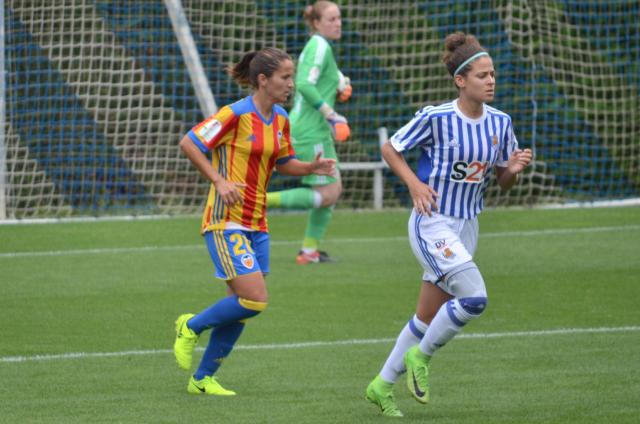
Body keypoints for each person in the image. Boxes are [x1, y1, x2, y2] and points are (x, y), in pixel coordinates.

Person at [365, 32, 533, 416]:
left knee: (426, 316)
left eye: (493, 74)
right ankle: (420, 359)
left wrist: (515, 169)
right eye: (482, 75)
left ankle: (380, 386)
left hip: (468, 227)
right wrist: (414, 184)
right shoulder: (436, 118)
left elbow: (505, 181)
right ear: (461, 80)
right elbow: (390, 147)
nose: (491, 81)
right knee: (474, 298)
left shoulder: (501, 122)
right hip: (432, 223)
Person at [173, 47, 336, 396]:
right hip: (225, 220)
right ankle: (190, 326)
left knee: (242, 308)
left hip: (257, 222)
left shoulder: (281, 119)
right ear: (263, 80)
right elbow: (189, 142)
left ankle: (202, 380)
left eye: (292, 77)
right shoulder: (234, 114)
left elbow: (283, 162)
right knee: (254, 299)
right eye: (285, 77)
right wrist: (218, 180)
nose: (290, 84)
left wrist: (310, 168)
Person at [266, 1, 352, 265]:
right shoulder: (319, 46)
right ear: (316, 23)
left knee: (331, 192)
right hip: (310, 131)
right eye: (331, 19)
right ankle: (259, 200)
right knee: (329, 193)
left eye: (339, 18)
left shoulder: (322, 48)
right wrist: (331, 114)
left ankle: (309, 252)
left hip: (315, 132)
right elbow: (303, 84)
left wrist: (341, 85)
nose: (337, 23)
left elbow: (320, 80)